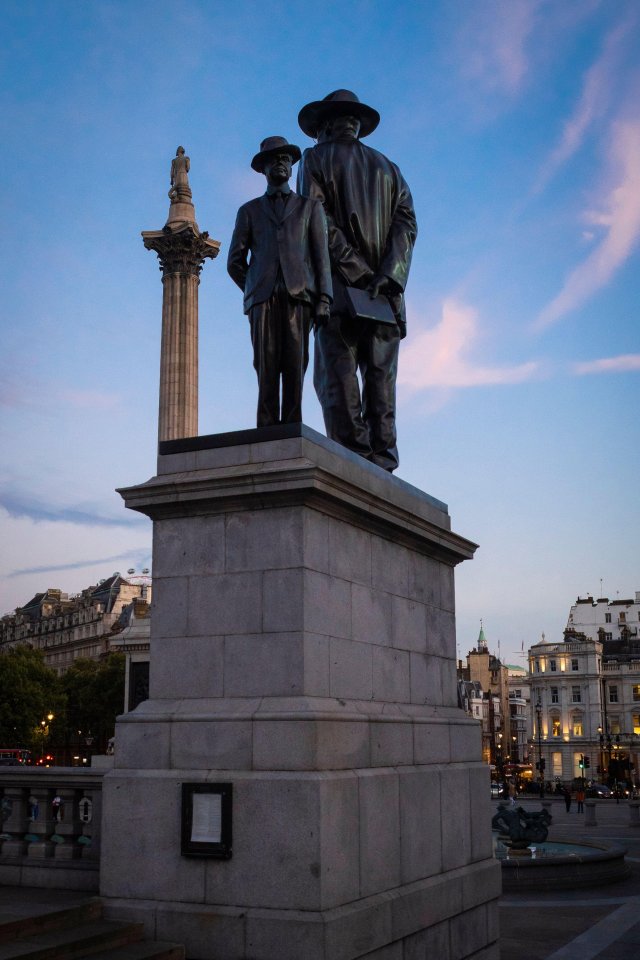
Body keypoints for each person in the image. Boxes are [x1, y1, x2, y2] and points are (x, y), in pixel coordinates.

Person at [297, 90, 417, 472]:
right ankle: (383, 458)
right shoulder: (389, 167)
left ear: (327, 126)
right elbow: (406, 226)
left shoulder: (315, 158)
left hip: (340, 289)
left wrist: (357, 271)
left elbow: (316, 219)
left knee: (337, 375)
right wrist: (389, 275)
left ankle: (352, 457)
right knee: (381, 379)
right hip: (385, 295)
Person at [228, 136, 332, 427]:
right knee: (265, 366)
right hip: (263, 300)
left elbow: (320, 256)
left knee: (295, 365)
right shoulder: (249, 211)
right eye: (275, 159)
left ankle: (292, 427)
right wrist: (255, 286)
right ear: (264, 168)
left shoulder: (309, 208)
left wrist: (324, 298)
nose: (282, 164)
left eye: (286, 159)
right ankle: (266, 427)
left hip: (299, 298)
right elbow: (234, 261)